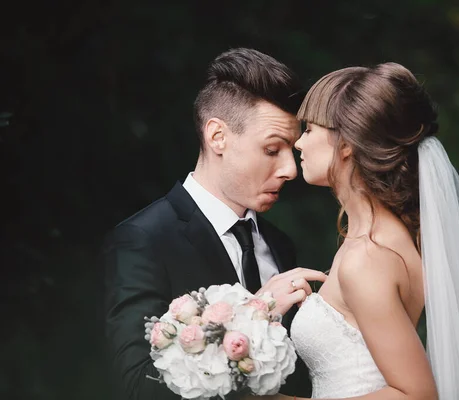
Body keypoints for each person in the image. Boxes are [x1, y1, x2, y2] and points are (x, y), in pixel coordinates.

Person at [269, 63, 459, 399]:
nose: (299, 143)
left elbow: (415, 394)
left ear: (346, 144)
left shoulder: (370, 256)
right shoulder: (374, 239)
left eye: (310, 129)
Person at [102, 48, 325, 400]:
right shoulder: (143, 239)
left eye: (292, 151)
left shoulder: (279, 245)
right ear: (217, 136)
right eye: (272, 150)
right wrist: (255, 312)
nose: (290, 170)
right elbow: (136, 386)